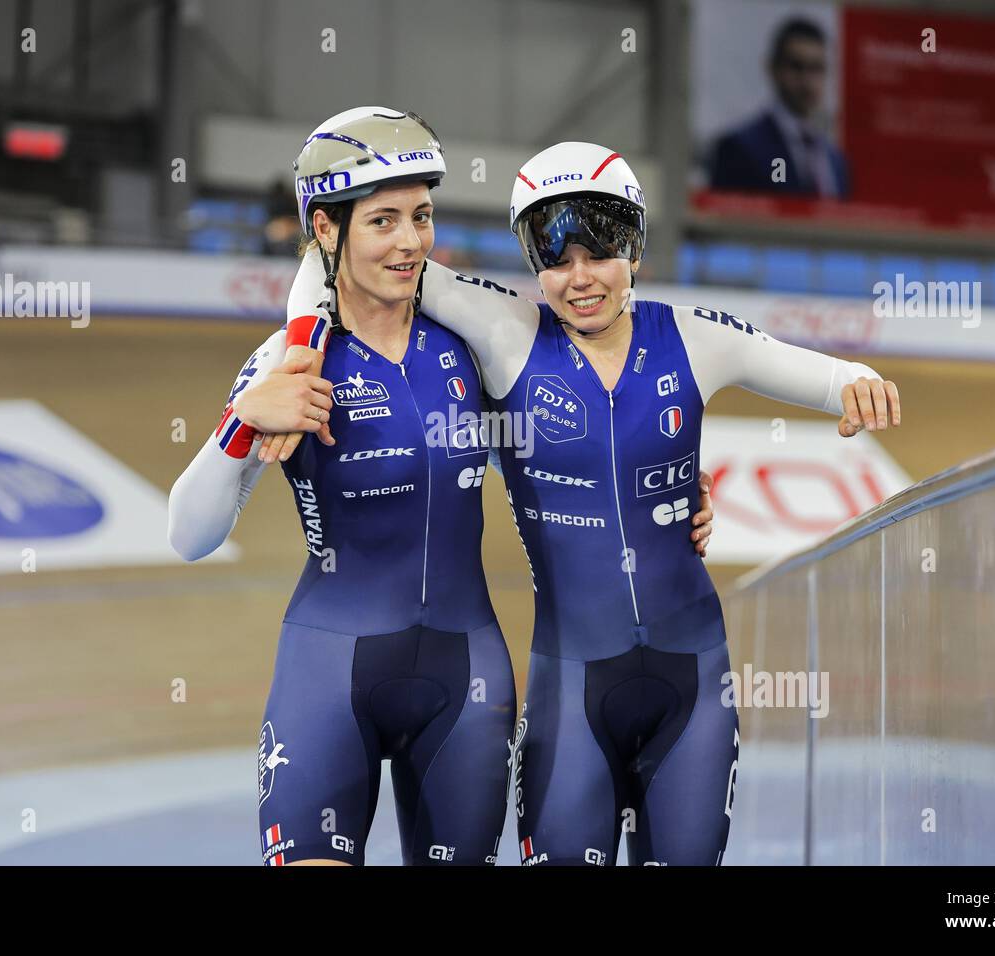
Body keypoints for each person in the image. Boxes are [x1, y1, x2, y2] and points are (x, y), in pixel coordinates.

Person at [280, 138, 900, 865]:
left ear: (634, 246)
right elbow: (325, 263)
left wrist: (858, 380)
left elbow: (823, 377)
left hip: (691, 690)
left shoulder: (694, 338)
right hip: (569, 693)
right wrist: (299, 347)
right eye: (555, 260)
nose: (579, 280)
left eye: (600, 254)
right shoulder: (507, 332)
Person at [169, 108, 523, 866]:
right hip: (327, 672)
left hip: (466, 680)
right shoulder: (289, 360)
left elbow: (558, 468)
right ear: (326, 231)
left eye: (421, 216)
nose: (410, 242)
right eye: (384, 220)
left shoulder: (469, 350)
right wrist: (239, 426)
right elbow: (188, 536)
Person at [707, 17, 849, 198]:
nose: (807, 81)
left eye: (816, 68)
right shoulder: (740, 149)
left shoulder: (836, 163)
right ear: (774, 68)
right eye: (797, 67)